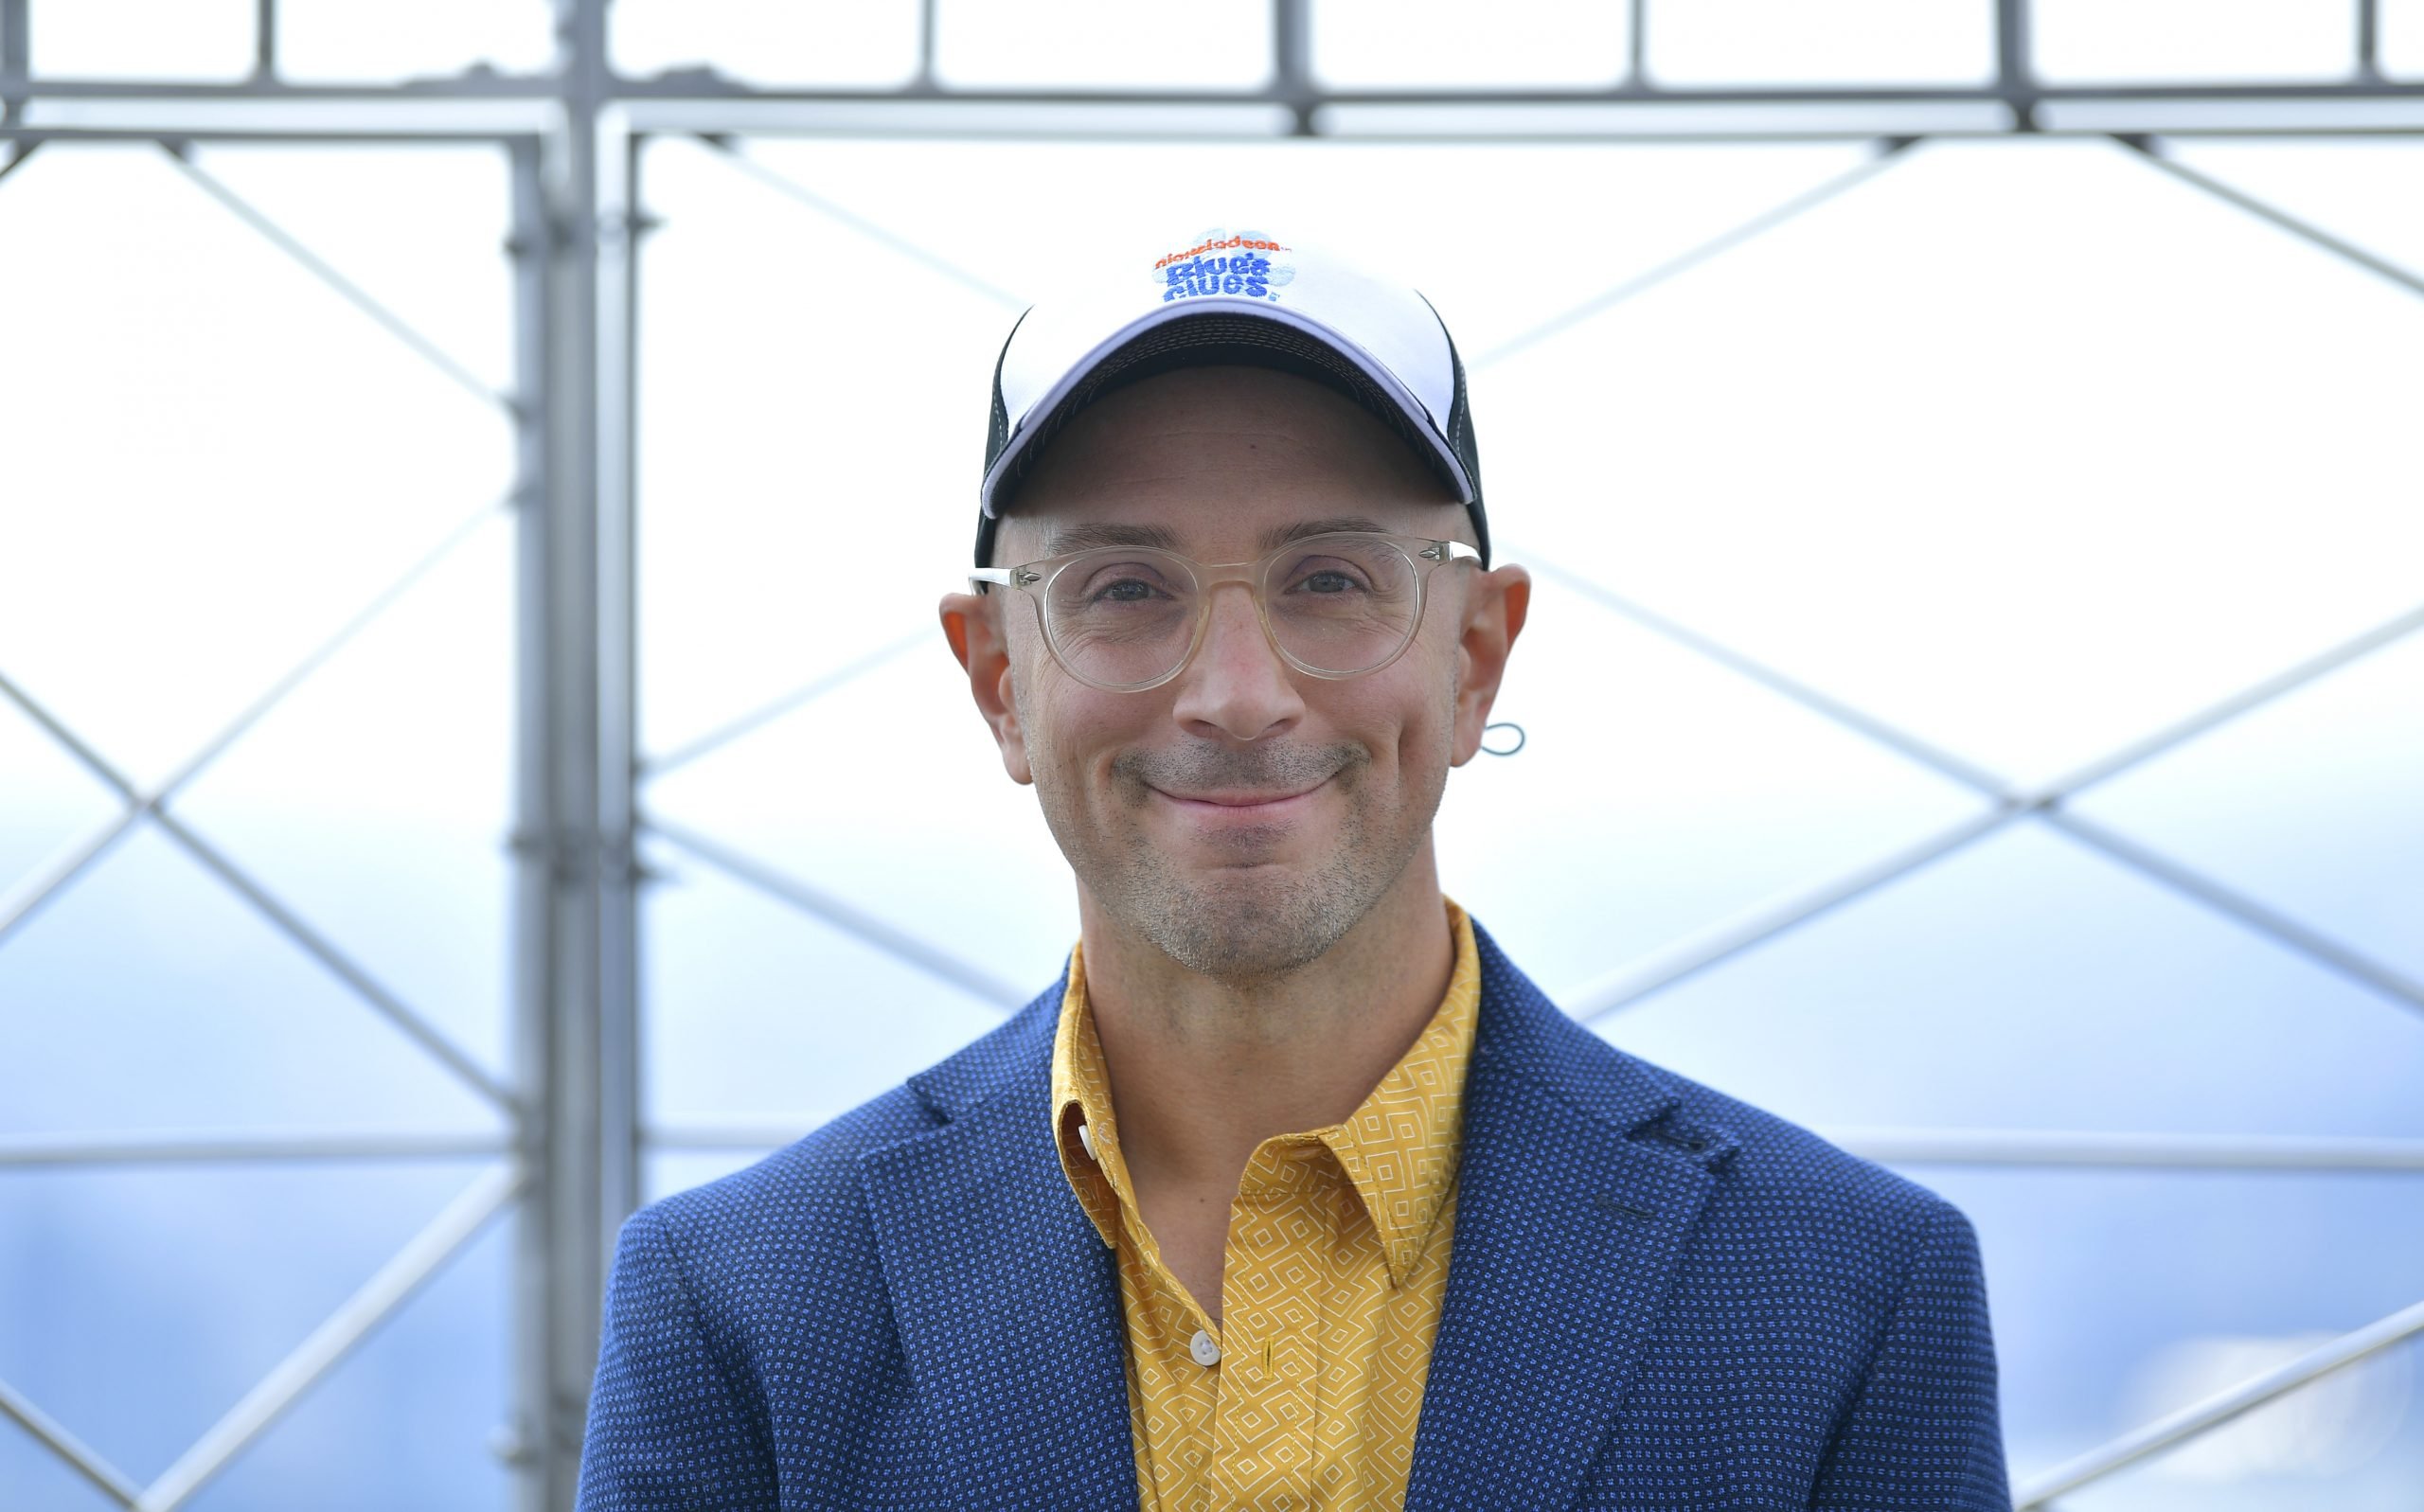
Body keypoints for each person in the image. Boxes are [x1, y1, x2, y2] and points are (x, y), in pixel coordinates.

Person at [577, 228, 2009, 1511]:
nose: (1239, 692)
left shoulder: (1843, 1301)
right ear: (999, 679)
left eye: (1331, 577)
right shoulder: (741, 1314)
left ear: (1473, 657)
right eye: (1125, 588)